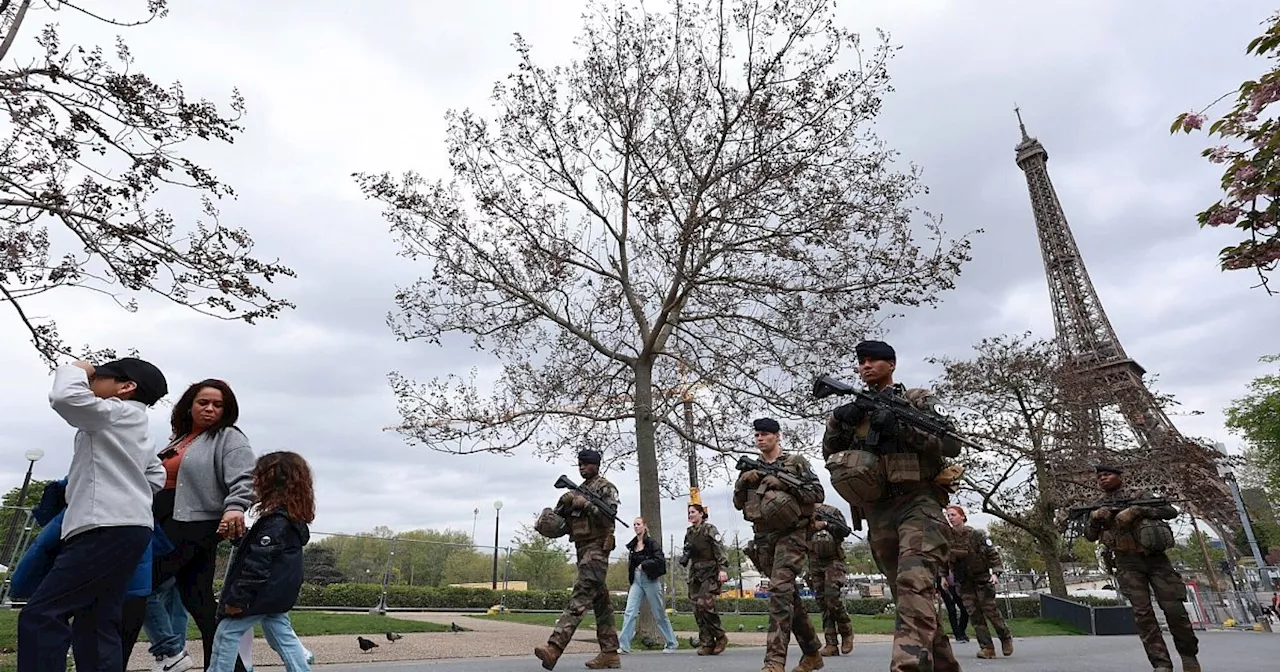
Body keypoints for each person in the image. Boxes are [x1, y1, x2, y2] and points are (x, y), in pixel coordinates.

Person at [19, 358, 168, 672]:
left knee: (43, 614)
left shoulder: (117, 413)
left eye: (99, 377)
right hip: (128, 526)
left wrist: (77, 368)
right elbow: (155, 475)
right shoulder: (136, 426)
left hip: (104, 525)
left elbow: (65, 398)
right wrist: (127, 488)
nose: (91, 380)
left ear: (126, 388)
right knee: (97, 619)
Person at [820, 340, 961, 672]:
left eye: (874, 361)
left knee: (914, 587)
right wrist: (840, 421)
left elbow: (951, 444)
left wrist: (902, 427)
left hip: (919, 503)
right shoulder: (853, 409)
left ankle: (905, 667)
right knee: (910, 597)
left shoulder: (916, 400)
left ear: (892, 364)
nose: (866, 366)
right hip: (877, 512)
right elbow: (830, 454)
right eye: (861, 361)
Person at [122, 379, 257, 671]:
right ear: (190, 406)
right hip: (163, 520)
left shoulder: (228, 437)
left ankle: (159, 655)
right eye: (203, 402)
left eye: (217, 404)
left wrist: (235, 507)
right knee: (200, 601)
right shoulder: (179, 439)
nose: (210, 409)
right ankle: (229, 668)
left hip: (193, 523)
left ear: (226, 409)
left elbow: (245, 477)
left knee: (138, 586)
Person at [1083, 464, 1199, 672]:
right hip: (1126, 562)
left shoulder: (1139, 495)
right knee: (1143, 615)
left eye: (1107, 474)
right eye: (1099, 477)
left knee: (1175, 610)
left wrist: (1138, 510)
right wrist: (1094, 519)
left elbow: (1170, 511)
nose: (1103, 479)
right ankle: (1161, 664)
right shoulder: (1097, 505)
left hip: (1156, 559)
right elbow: (1090, 536)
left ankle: (1188, 655)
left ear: (1119, 476)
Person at [206, 451, 314, 671]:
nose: (253, 483)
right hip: (277, 595)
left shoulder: (274, 522)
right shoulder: (289, 520)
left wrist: (237, 599)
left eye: (258, 477)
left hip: (259, 594)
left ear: (270, 482)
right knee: (282, 635)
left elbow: (258, 564)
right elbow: (264, 551)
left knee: (226, 633)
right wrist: (238, 537)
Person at [733, 417, 825, 672]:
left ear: (777, 436)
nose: (760, 438)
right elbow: (738, 503)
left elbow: (817, 493)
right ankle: (812, 653)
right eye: (757, 435)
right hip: (764, 538)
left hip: (793, 534)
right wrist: (743, 482)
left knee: (780, 592)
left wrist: (784, 483)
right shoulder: (751, 468)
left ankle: (774, 662)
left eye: (765, 434)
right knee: (787, 596)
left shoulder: (796, 463)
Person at [534, 449, 622, 670]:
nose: (582, 467)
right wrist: (565, 503)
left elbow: (608, 518)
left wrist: (586, 505)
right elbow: (560, 522)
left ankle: (554, 648)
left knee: (580, 596)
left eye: (586, 463)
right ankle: (610, 653)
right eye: (579, 464)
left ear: (596, 465)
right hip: (582, 548)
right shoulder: (578, 489)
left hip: (597, 549)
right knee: (601, 602)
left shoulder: (606, 488)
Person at [942, 505, 1011, 659]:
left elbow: (993, 554)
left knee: (990, 611)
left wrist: (996, 573)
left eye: (953, 515)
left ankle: (1005, 637)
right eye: (948, 515)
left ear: (962, 516)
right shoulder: (948, 538)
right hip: (964, 582)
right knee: (975, 615)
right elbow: (945, 559)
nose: (950, 518)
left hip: (981, 579)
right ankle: (987, 648)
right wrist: (944, 577)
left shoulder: (976, 535)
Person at [617, 516, 677, 654]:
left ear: (644, 526)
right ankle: (624, 645)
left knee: (659, 613)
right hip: (637, 582)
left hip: (650, 580)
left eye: (638, 524)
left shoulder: (652, 544)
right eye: (634, 525)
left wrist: (644, 565)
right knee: (629, 612)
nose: (636, 527)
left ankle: (671, 643)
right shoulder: (632, 546)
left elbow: (660, 560)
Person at [680, 503, 728, 656]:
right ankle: (707, 642)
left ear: (701, 514)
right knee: (696, 608)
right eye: (689, 513)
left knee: (705, 605)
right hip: (695, 572)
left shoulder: (709, 529)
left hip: (710, 571)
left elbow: (719, 548)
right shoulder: (689, 533)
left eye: (693, 512)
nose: (690, 515)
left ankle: (720, 636)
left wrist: (722, 569)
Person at [807, 502, 854, 657]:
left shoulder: (831, 511)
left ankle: (846, 632)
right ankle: (831, 644)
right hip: (814, 561)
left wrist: (826, 524)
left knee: (832, 597)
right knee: (823, 603)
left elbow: (845, 531)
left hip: (833, 560)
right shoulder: (801, 513)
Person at [936, 574, 969, 643]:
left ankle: (961, 631)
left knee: (965, 609)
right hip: (944, 585)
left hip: (957, 585)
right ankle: (958, 635)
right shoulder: (941, 565)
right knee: (951, 609)